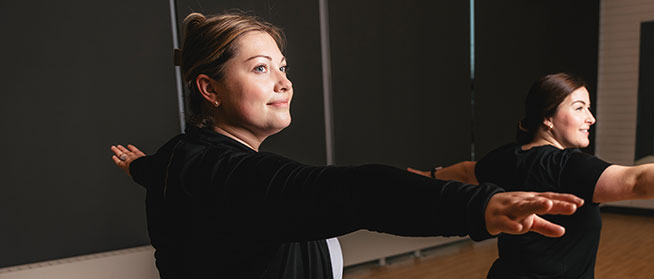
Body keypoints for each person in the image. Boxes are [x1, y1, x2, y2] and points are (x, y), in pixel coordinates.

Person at [109, 12, 586, 279]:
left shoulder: (179, 158)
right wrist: (476, 206)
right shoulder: (216, 172)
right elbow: (356, 191)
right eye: (260, 68)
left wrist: (139, 166)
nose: (283, 83)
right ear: (209, 89)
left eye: (283, 68)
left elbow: (156, 172)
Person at [409, 73, 654, 279]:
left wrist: (420, 175)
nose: (591, 118)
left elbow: (462, 171)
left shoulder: (504, 158)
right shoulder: (567, 167)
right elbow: (638, 181)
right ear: (548, 118)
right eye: (580, 107)